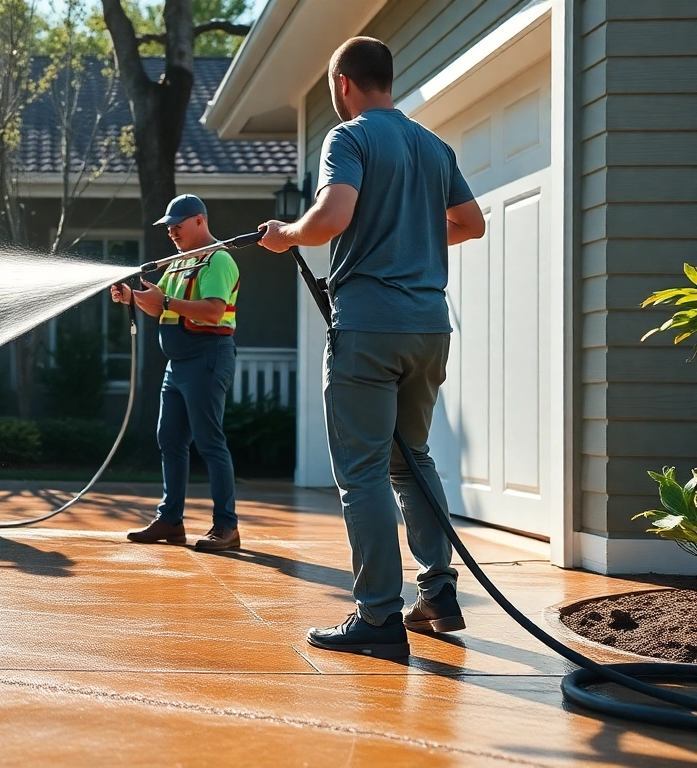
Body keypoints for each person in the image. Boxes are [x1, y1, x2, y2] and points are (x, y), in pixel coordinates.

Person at [257, 37, 486, 658]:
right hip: (429, 329)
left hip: (369, 328)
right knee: (413, 460)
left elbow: (331, 218)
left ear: (343, 84)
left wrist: (287, 234)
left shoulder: (349, 138)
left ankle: (378, 617)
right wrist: (413, 232)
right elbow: (471, 224)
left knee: (362, 473)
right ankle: (438, 595)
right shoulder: (433, 146)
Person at [110, 194, 240, 552]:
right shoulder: (179, 262)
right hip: (178, 364)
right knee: (169, 440)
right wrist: (131, 297)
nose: (171, 232)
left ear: (199, 221)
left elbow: (213, 311)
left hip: (207, 358)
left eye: (177, 225)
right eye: (168, 227)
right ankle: (170, 521)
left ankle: (227, 526)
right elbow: (158, 307)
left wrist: (164, 301)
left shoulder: (218, 259)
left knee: (210, 442)